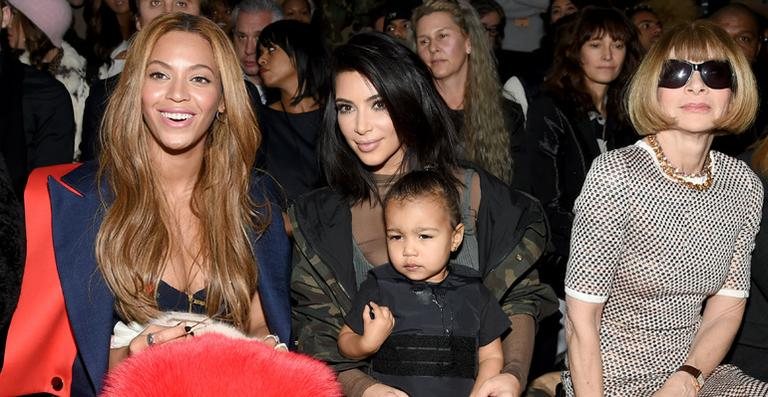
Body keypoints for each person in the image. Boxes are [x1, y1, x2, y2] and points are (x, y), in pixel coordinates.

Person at [0, 13, 291, 396]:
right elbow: (55, 361)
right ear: (136, 87)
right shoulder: (75, 202)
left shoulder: (252, 199)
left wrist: (262, 352)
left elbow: (261, 325)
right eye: (159, 75)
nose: (177, 93)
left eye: (200, 78)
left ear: (223, 100)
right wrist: (134, 357)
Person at [290, 32, 557, 397]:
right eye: (346, 107)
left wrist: (510, 373)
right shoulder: (321, 216)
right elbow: (316, 333)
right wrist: (365, 389)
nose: (361, 126)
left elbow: (518, 299)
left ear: (409, 101)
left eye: (379, 104)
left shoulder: (472, 193)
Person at [564, 20, 767, 396]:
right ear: (653, 90)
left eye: (714, 72)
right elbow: (581, 321)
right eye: (676, 72)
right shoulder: (616, 174)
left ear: (733, 92)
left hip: (694, 374)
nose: (696, 85)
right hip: (607, 380)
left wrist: (687, 376)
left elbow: (726, 306)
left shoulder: (743, 185)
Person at [337, 170, 510, 397]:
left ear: (455, 237)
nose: (409, 250)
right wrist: (366, 344)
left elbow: (491, 356)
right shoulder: (379, 285)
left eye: (424, 236)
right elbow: (344, 341)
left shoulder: (474, 290)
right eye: (396, 236)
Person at [514, 6, 641, 300]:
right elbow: (546, 202)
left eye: (617, 45)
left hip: (627, 258)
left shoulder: (631, 112)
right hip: (567, 258)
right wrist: (611, 241)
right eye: (596, 45)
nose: (608, 56)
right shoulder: (551, 109)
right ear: (576, 51)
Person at [413, 0, 525, 185]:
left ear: (468, 43)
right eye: (424, 41)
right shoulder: (411, 111)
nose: (432, 48)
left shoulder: (507, 114)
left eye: (442, 36)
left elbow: (518, 191)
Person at [80, 0, 205, 161]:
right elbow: (91, 177)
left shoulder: (237, 95)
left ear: (202, 17)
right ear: (138, 20)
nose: (168, 14)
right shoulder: (105, 99)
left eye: (181, 3)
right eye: (155, 3)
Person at [255, 19, 328, 204]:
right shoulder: (260, 121)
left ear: (299, 51)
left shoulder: (338, 114)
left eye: (271, 49)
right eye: (261, 52)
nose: (260, 59)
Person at [6, 0, 88, 161]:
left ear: (33, 25)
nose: (7, 22)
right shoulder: (11, 69)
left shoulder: (74, 83)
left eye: (14, 14)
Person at [231, 0, 282, 103]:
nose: (248, 50)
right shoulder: (221, 87)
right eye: (242, 37)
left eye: (259, 38)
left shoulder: (295, 88)